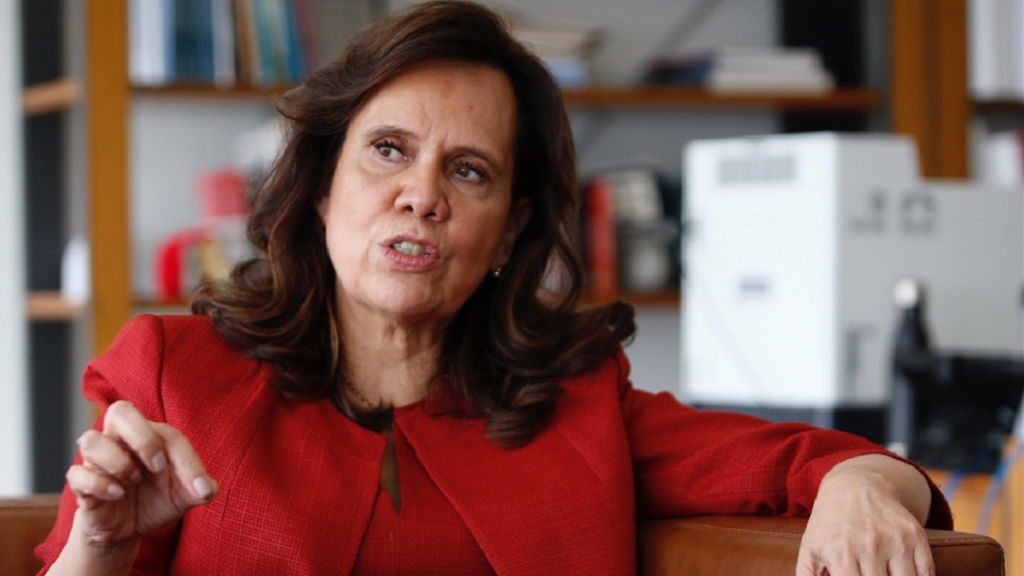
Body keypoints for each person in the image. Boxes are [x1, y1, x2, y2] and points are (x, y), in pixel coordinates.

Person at [37, 2, 951, 575]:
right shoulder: (174, 376)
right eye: (388, 150)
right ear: (321, 189)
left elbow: (825, 462)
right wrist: (102, 546)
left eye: (468, 170)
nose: (422, 195)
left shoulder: (581, 405)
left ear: (509, 232)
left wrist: (864, 487)